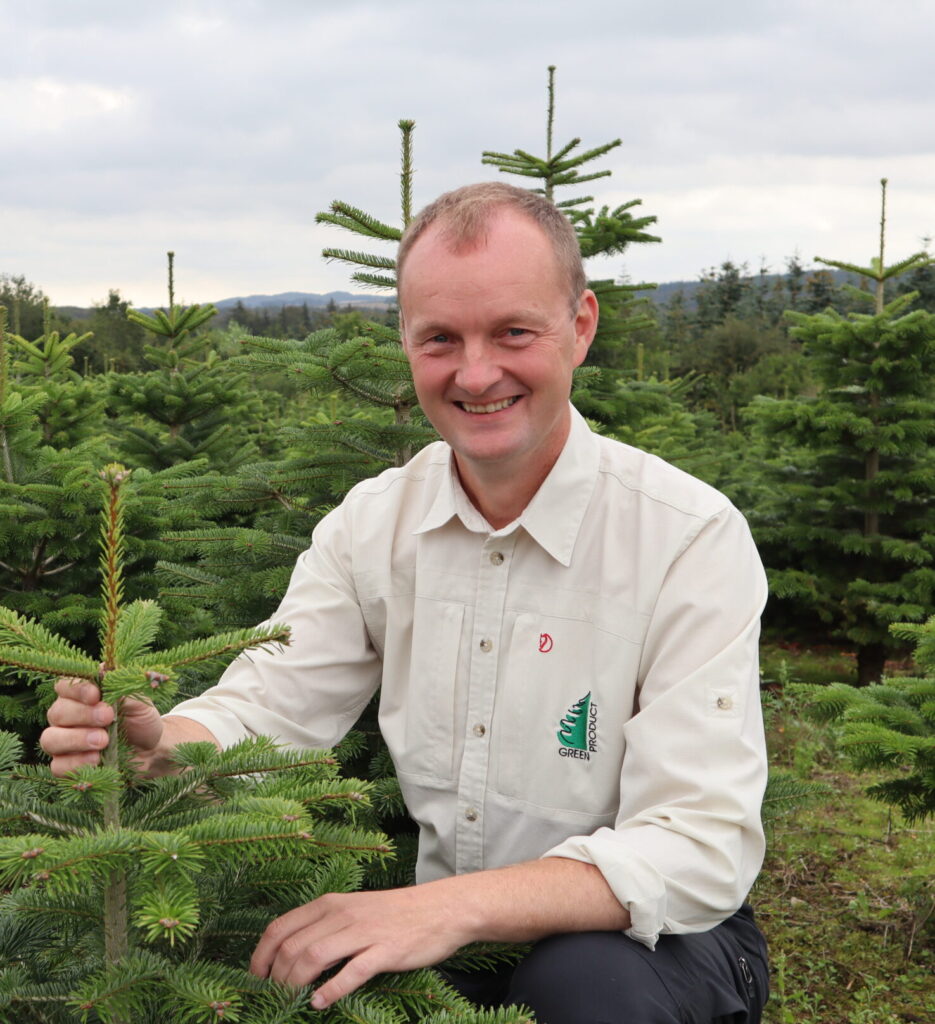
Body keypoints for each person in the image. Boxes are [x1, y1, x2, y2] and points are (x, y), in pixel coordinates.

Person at [42, 182, 770, 1023]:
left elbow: (698, 845)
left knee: (580, 988)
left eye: (513, 332)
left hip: (655, 944)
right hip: (450, 935)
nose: (475, 372)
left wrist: (442, 908)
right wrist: (163, 744)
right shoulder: (373, 525)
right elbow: (276, 696)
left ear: (580, 327)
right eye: (440, 339)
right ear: (405, 342)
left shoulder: (687, 537)